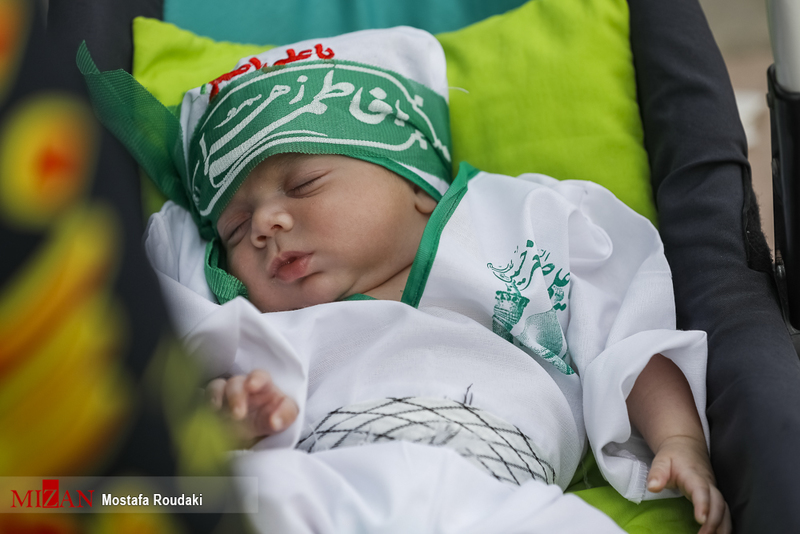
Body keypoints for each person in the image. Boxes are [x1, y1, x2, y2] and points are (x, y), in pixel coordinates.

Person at [85, 25, 730, 533]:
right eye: (234, 228)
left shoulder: (519, 228)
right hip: (324, 483)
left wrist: (678, 438)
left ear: (421, 187)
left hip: (503, 497)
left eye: (303, 184)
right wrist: (229, 420)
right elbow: (162, 388)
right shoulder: (249, 321)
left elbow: (626, 340)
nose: (264, 225)